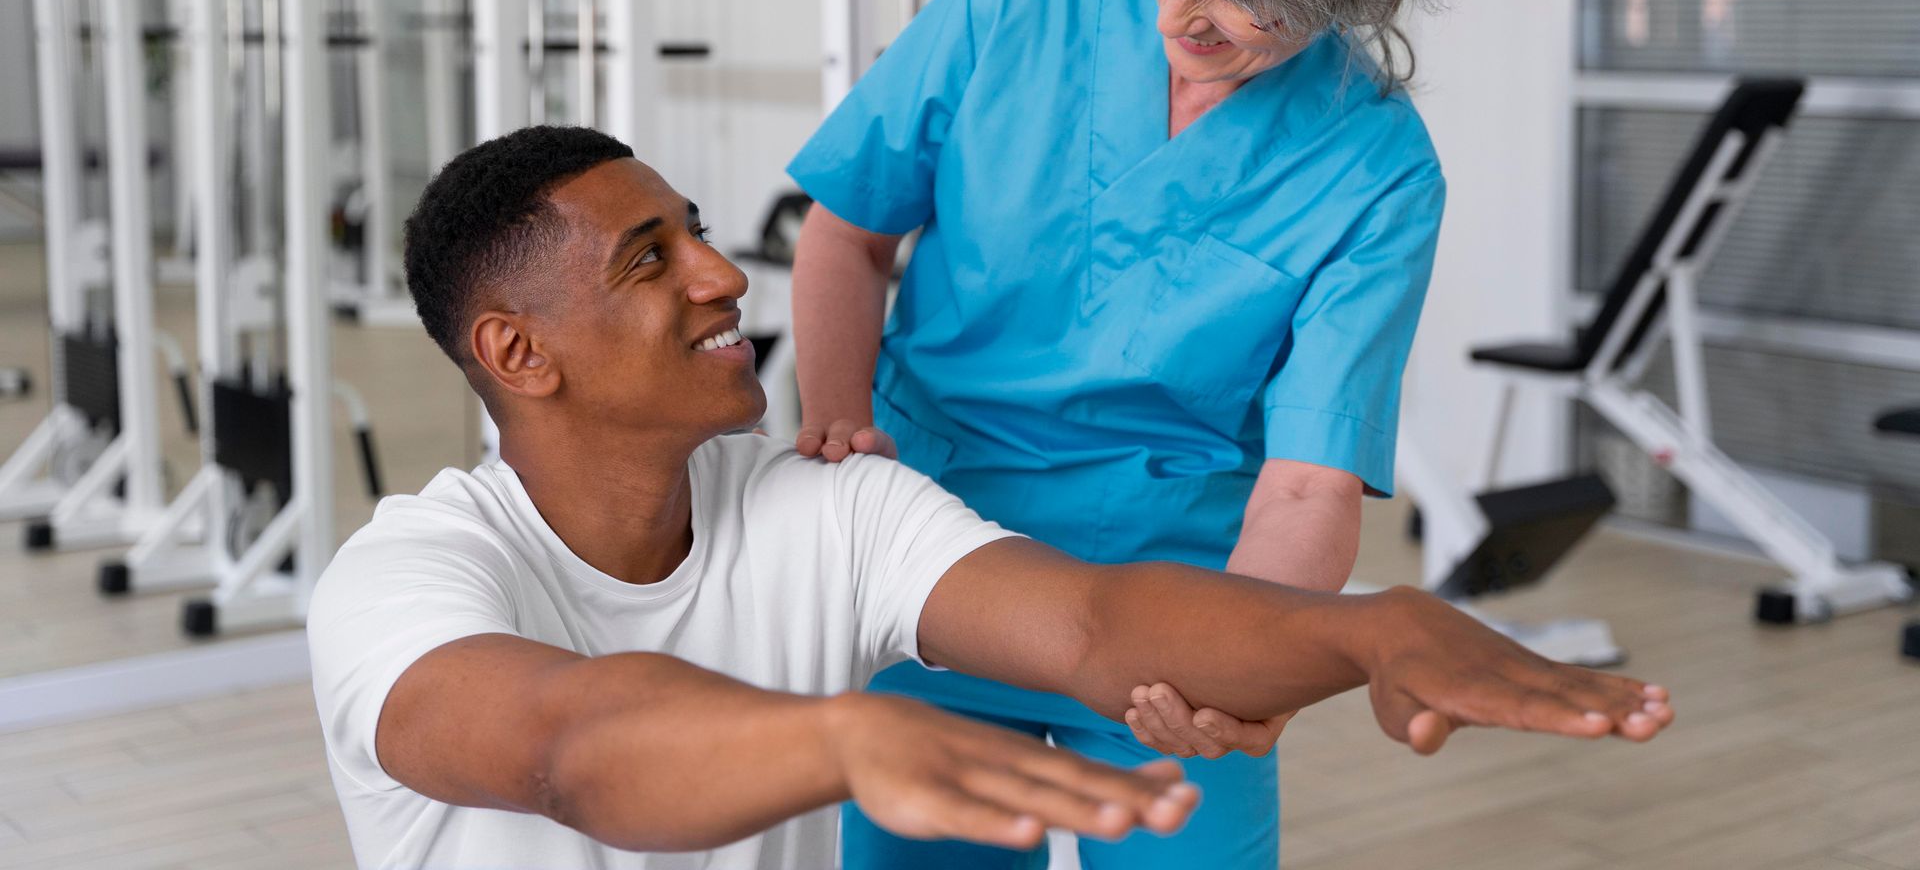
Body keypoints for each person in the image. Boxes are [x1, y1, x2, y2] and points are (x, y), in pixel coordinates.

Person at [306, 127, 1673, 870]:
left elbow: (1095, 621)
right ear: (518, 354)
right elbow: (565, 748)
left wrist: (1369, 629)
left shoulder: (817, 511)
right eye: (649, 261)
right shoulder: (405, 580)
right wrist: (843, 740)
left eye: (703, 234)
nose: (723, 276)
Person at [786, 0, 1482, 868]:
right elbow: (846, 232)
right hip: (936, 566)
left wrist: (1246, 659)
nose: (1181, 13)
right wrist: (839, 420)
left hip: (1176, 603)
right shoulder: (1010, 3)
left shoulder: (1375, 164)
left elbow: (1309, 483)